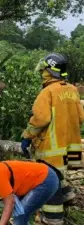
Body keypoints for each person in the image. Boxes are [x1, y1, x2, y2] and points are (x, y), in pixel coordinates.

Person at [21, 53, 84, 225]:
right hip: (72, 149)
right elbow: (80, 117)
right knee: (58, 172)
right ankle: (68, 193)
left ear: (50, 72)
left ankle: (52, 218)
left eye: (44, 70)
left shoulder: (47, 92)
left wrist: (27, 136)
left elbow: (41, 119)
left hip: (51, 149)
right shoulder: (72, 90)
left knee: (49, 182)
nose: (42, 73)